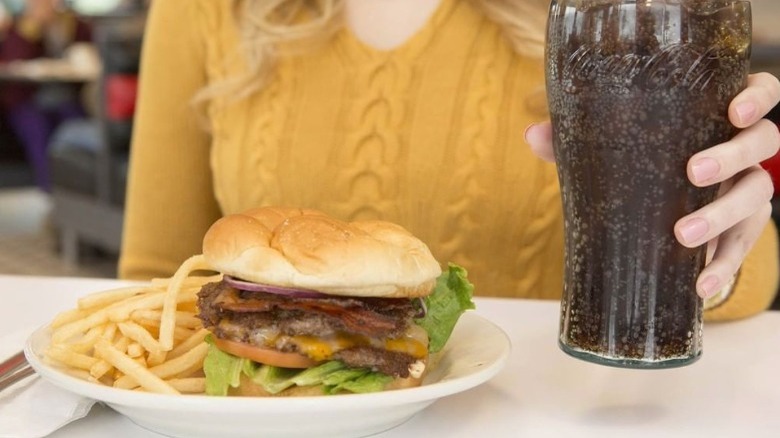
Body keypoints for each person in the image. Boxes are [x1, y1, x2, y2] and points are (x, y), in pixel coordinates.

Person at [119, 0, 780, 321]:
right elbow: (155, 285)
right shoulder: (204, 10)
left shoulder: (610, 15)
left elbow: (738, 291)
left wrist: (708, 234)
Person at [0, 0, 92, 191]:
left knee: (74, 121)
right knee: (37, 128)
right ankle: (50, 189)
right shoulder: (19, 27)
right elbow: (12, 61)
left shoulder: (73, 24)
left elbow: (90, 54)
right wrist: (31, 29)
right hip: (26, 99)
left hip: (64, 96)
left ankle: (77, 191)